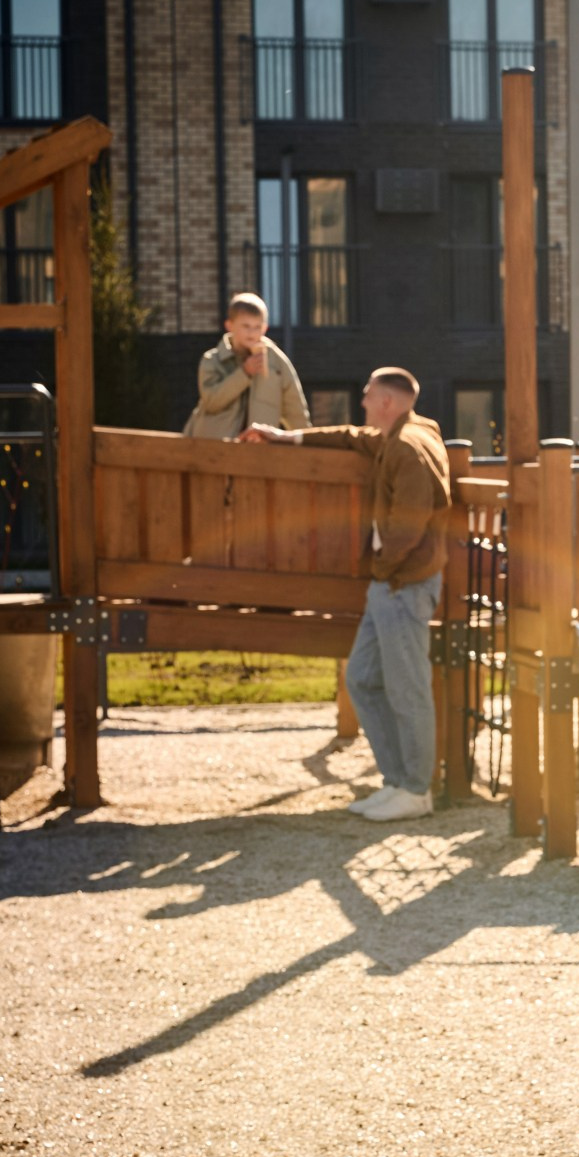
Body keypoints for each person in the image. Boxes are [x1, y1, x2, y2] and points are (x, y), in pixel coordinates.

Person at [242, 369, 451, 821]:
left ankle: (416, 790)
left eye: (368, 396)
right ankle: (398, 781)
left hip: (403, 585)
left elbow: (410, 523)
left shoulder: (409, 448)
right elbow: (350, 436)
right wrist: (286, 437)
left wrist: (382, 566)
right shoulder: (398, 435)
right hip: (391, 584)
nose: (362, 403)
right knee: (361, 678)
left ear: (388, 404)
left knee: (407, 688)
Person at [182, 292, 310, 440]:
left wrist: (309, 441)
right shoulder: (212, 360)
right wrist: (244, 373)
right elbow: (211, 402)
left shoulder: (277, 362)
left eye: (257, 327)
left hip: (257, 449)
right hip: (214, 446)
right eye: (246, 326)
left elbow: (295, 410)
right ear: (229, 326)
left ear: (264, 328)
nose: (252, 332)